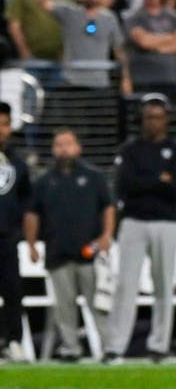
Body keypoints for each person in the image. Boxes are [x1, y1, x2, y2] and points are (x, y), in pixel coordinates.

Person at [104, 94, 176, 365]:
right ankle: (115, 346)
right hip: (133, 222)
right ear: (142, 119)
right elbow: (124, 185)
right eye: (149, 117)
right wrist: (159, 180)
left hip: (166, 222)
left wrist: (147, 181)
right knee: (125, 284)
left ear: (166, 119)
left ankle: (159, 345)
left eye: (158, 117)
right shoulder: (129, 150)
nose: (153, 122)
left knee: (164, 284)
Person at [23, 128, 113, 362]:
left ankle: (108, 347)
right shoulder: (44, 181)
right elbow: (32, 214)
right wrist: (32, 244)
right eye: (59, 144)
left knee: (99, 303)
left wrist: (106, 236)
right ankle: (71, 348)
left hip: (89, 252)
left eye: (68, 144)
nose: (64, 149)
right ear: (53, 149)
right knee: (64, 307)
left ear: (78, 147)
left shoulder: (93, 176)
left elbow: (108, 206)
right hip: (58, 252)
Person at [0, 102, 31, 362]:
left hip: (7, 238)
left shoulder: (18, 163)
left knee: (12, 292)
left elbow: (25, 203)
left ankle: (14, 341)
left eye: (4, 124)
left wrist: (21, 234)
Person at [125, 0, 176, 94]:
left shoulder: (173, 16)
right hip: (142, 78)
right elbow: (143, 42)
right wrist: (171, 37)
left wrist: (158, 46)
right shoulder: (133, 17)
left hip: (169, 77)